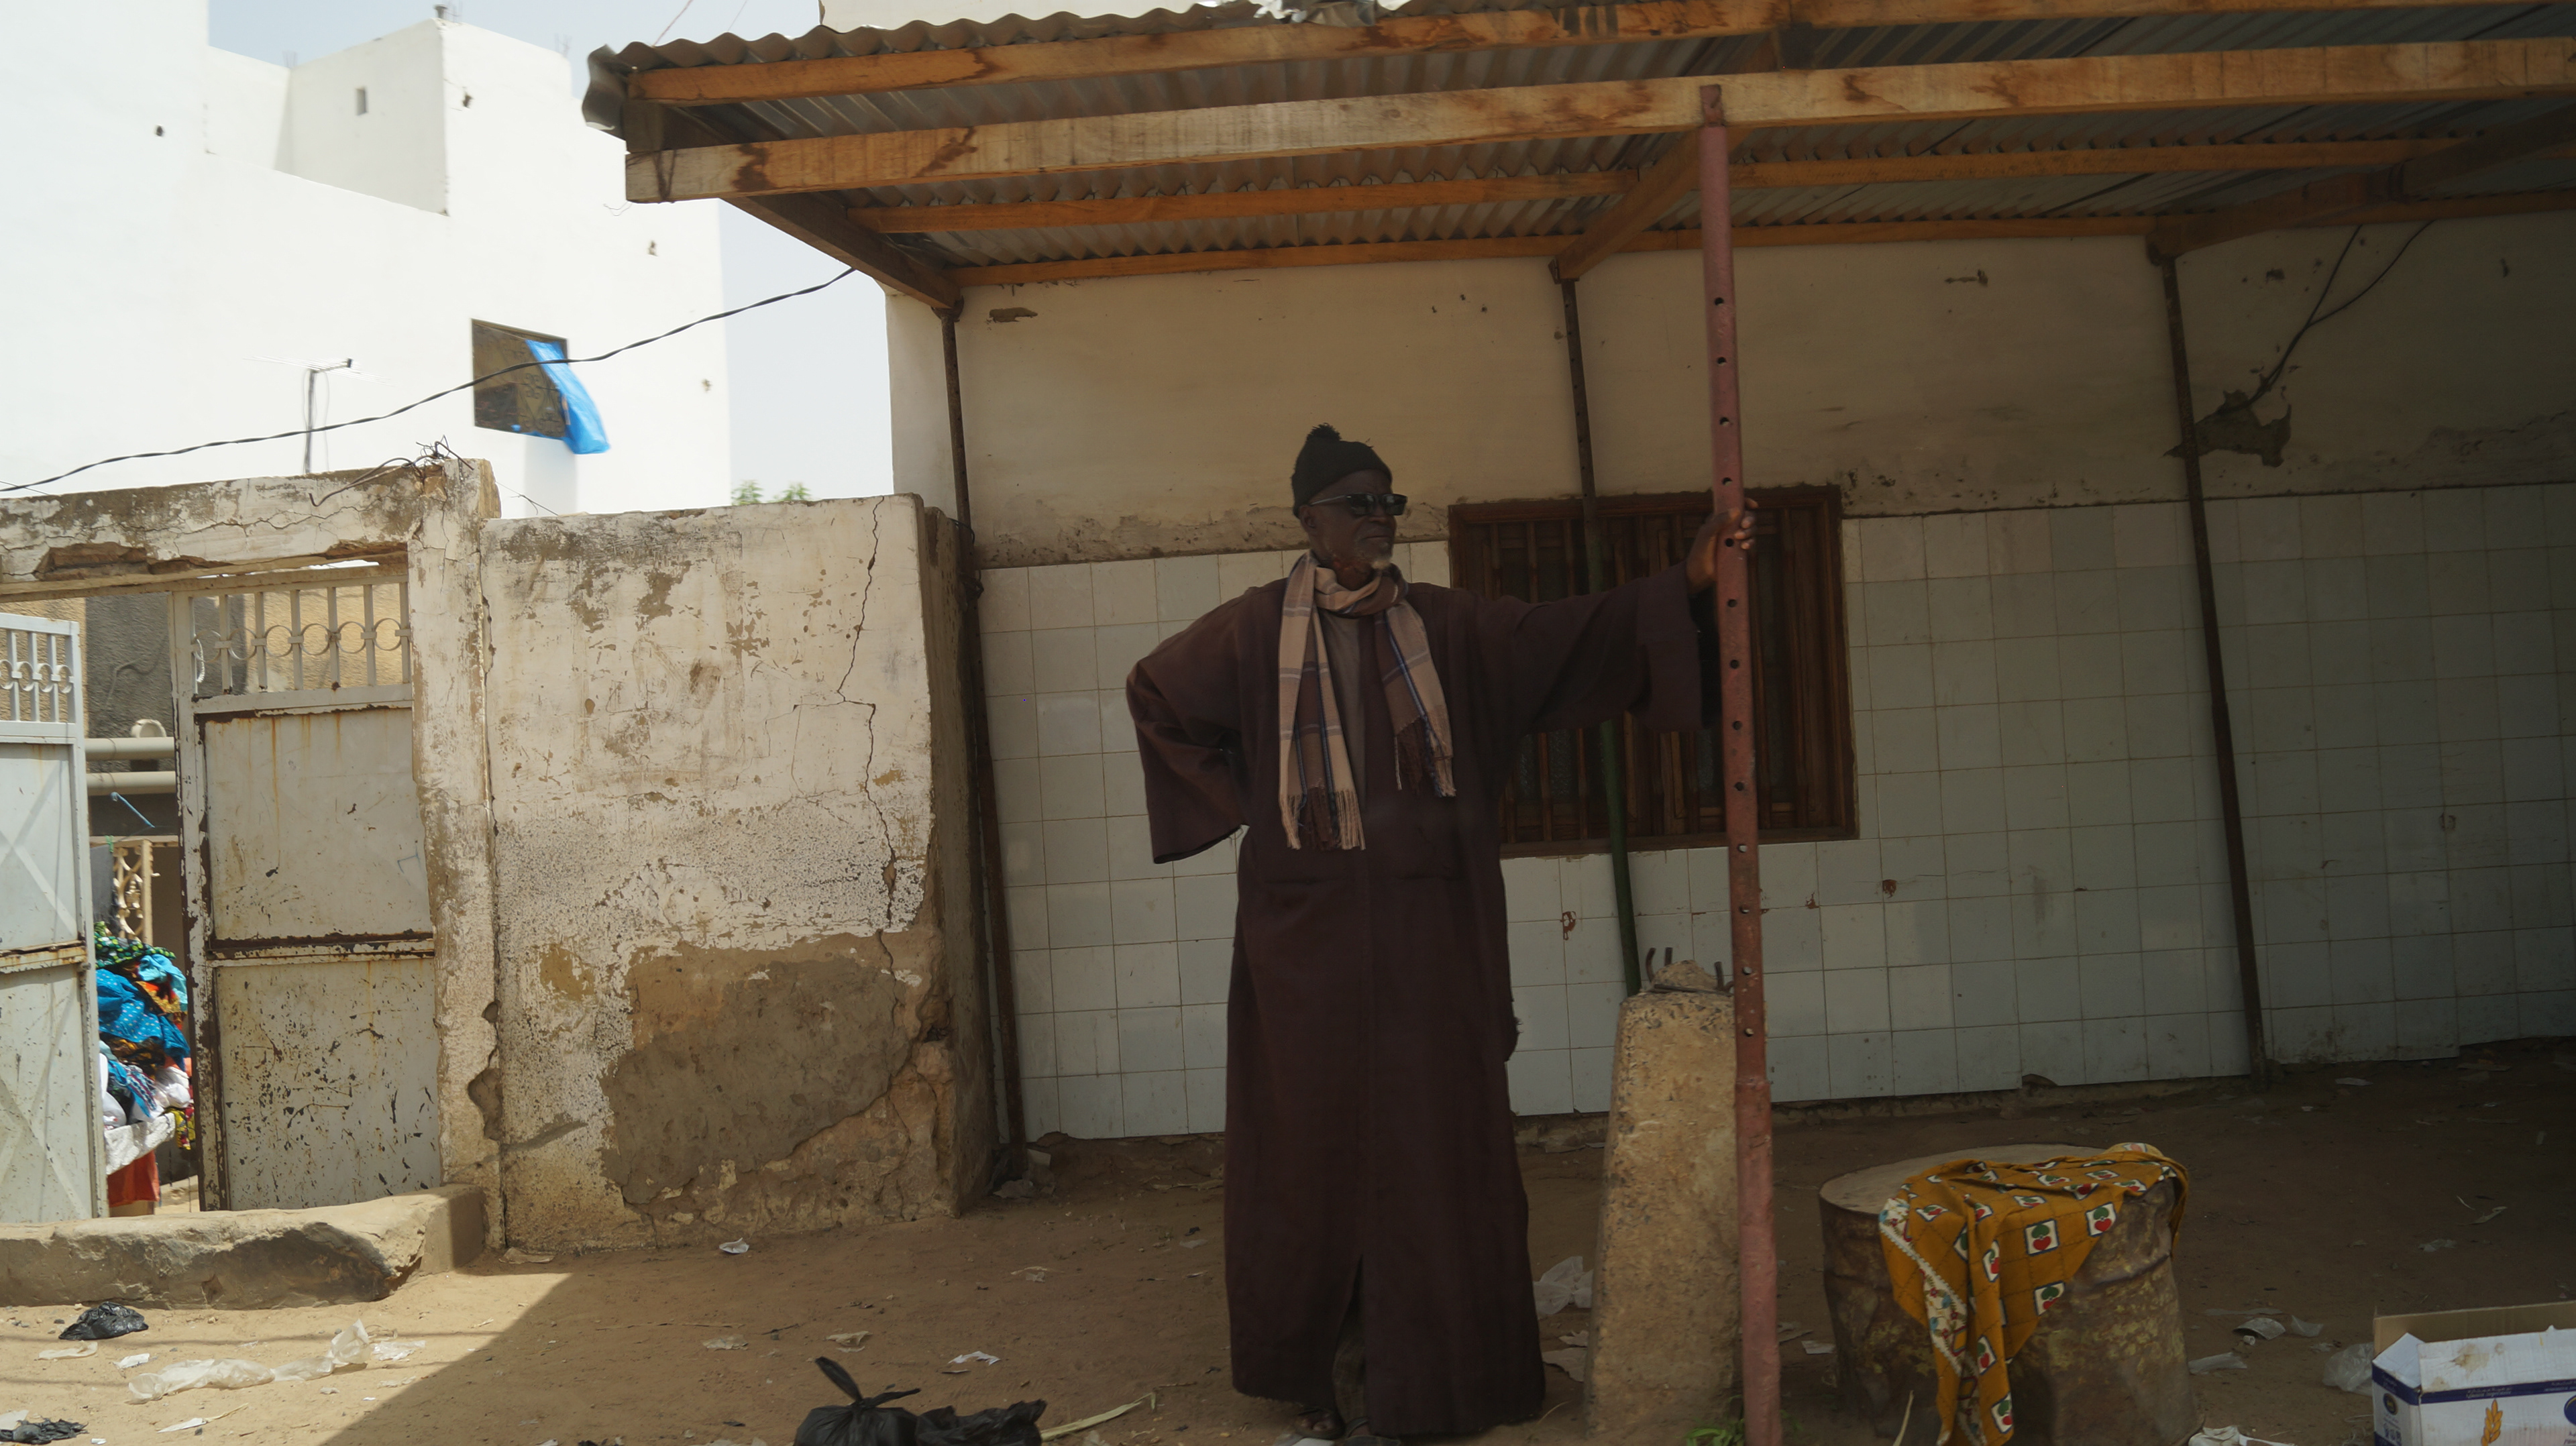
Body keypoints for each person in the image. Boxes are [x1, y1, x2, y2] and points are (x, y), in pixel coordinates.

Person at [1124, 425, 1748, 1443]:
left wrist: (1684, 580)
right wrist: (1256, 805)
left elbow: (1568, 636)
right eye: (1357, 504)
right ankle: (1329, 1376)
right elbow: (1156, 693)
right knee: (1314, 1151)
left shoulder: (1452, 630)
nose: (1378, 520)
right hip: (1304, 948)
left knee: (1436, 1144)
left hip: (1433, 941)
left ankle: (1449, 1377)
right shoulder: (1250, 632)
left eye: (1389, 503)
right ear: (1309, 519)